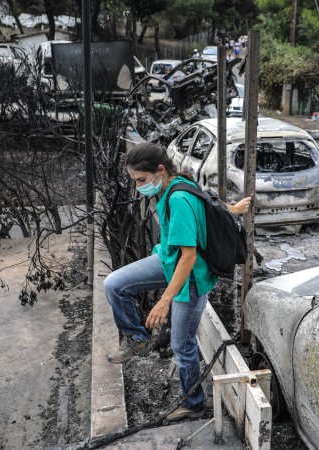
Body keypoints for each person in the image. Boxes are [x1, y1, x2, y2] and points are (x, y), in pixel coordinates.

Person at [103, 142, 252, 421]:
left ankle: (194, 404)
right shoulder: (178, 181)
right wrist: (234, 208)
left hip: (189, 277)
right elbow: (210, 203)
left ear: (160, 170)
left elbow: (188, 257)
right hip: (168, 261)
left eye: (141, 180)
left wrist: (164, 300)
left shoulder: (177, 198)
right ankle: (137, 339)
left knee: (182, 346)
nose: (138, 187)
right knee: (114, 284)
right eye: (134, 180)